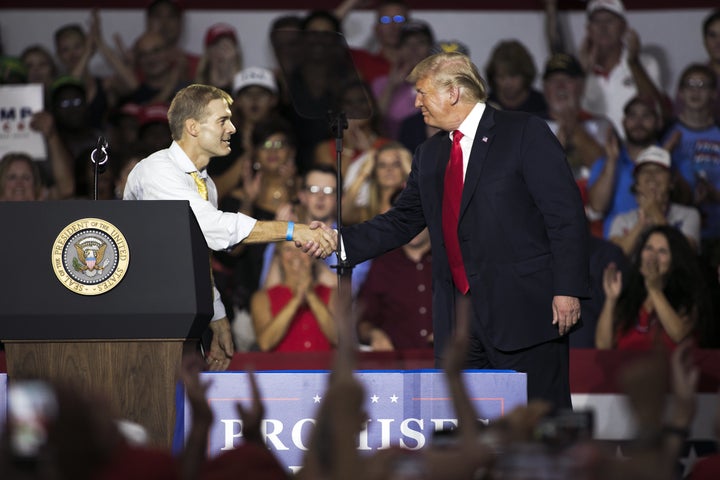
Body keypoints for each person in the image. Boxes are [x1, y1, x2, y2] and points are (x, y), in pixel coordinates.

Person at [340, 52, 589, 409]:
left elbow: (564, 214)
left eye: (423, 93)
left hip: (524, 314)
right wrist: (339, 241)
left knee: (539, 429)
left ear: (453, 93)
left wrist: (567, 288)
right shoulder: (429, 154)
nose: (415, 102)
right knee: (464, 433)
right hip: (458, 324)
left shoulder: (523, 132)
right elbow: (403, 221)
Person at [123, 84, 337, 370]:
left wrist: (218, 318)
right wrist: (293, 230)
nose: (233, 128)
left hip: (175, 315)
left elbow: (197, 256)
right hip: (143, 318)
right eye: (223, 120)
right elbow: (215, 229)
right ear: (193, 127)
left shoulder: (205, 183)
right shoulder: (158, 170)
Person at [596, 225, 711, 350]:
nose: (652, 256)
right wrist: (610, 299)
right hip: (628, 368)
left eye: (662, 251)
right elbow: (603, 346)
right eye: (648, 248)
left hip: (671, 368)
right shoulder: (628, 295)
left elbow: (679, 334)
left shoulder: (689, 296)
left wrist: (654, 290)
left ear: (675, 260)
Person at [579, 0, 669, 137]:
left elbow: (657, 111)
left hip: (635, 149)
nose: (603, 27)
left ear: (624, 26)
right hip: (591, 152)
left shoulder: (646, 63)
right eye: (597, 21)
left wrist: (634, 63)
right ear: (588, 29)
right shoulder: (577, 67)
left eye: (610, 20)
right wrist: (581, 73)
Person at [665, 64, 720, 270]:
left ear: (714, 93)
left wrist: (715, 195)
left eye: (702, 85)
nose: (695, 91)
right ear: (680, 92)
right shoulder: (666, 133)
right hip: (680, 233)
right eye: (690, 85)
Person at [608, 145, 701, 255]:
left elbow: (685, 254)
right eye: (644, 172)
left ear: (671, 182)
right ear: (637, 184)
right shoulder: (621, 220)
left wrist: (655, 213)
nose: (651, 176)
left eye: (659, 171)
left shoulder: (689, 215)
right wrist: (641, 223)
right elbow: (615, 256)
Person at [250, 241, 337, 352]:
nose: (296, 255)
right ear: (279, 256)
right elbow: (264, 344)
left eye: (302, 248)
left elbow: (339, 339)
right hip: (283, 368)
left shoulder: (333, 294)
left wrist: (311, 295)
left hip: (325, 368)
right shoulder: (262, 298)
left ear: (314, 256)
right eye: (288, 249)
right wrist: (296, 300)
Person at [357, 227, 433, 351]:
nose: (413, 225)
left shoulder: (449, 260)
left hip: (446, 364)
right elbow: (363, 322)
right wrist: (374, 334)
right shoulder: (382, 264)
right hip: (396, 364)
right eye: (407, 217)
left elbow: (468, 311)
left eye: (419, 217)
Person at [485, 39, 548, 116]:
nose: (507, 83)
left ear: (525, 74)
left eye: (513, 76)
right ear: (493, 77)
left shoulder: (543, 105)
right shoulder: (484, 107)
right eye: (501, 76)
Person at [194, 23, 243, 95]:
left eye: (227, 47)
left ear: (236, 54)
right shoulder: (193, 91)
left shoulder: (244, 92)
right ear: (208, 52)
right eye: (217, 46)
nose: (222, 52)